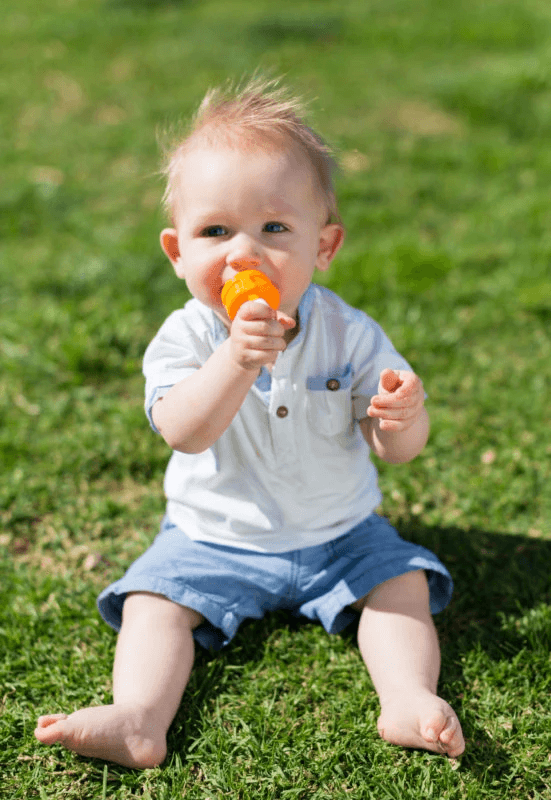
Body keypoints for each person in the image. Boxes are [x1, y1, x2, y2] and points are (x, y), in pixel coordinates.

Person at [34, 78, 465, 767]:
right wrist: (235, 360)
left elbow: (397, 451)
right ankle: (138, 718)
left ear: (322, 246)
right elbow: (184, 430)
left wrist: (400, 416)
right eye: (215, 231)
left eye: (273, 228)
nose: (242, 252)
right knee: (153, 602)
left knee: (401, 586)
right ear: (177, 254)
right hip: (213, 535)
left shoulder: (349, 335)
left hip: (339, 533)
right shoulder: (185, 340)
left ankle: (408, 698)